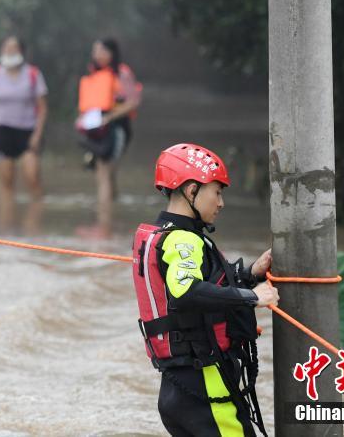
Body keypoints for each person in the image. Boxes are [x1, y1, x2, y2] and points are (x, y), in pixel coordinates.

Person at [131, 143, 278, 436]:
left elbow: (208, 284)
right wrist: (252, 297)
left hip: (179, 388)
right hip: (204, 384)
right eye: (217, 192)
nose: (221, 203)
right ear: (191, 190)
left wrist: (250, 273)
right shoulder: (183, 240)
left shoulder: (169, 236)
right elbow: (186, 292)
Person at [0, 36, 48, 232]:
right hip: (2, 130)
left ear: (21, 52)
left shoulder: (33, 75)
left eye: (13, 48)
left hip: (27, 131)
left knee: (32, 177)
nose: (9, 52)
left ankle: (34, 227)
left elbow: (42, 108)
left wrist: (37, 135)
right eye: (5, 48)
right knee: (6, 183)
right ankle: (6, 226)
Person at [75, 38, 142, 238]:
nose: (96, 54)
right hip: (96, 130)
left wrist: (110, 116)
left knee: (104, 173)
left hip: (116, 128)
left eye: (101, 50)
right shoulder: (93, 75)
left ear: (111, 53)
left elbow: (133, 102)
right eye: (94, 50)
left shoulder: (122, 73)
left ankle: (103, 227)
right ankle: (111, 222)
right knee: (107, 175)